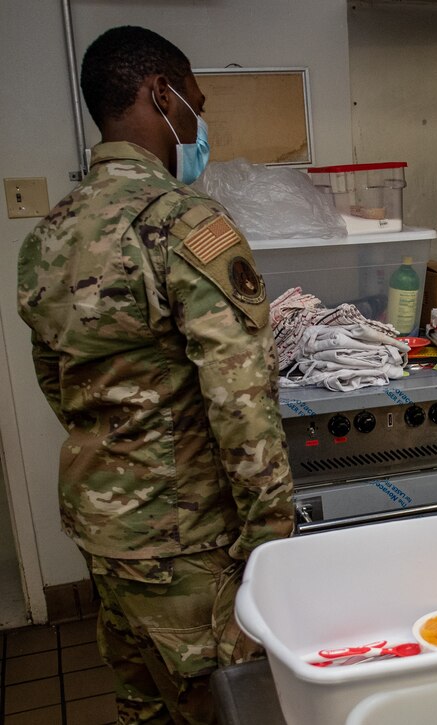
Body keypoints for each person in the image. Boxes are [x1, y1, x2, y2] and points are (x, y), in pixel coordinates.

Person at [17, 26, 294, 724]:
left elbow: (55, 376)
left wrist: (122, 459)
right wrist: (272, 543)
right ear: (160, 94)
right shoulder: (186, 224)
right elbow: (242, 400)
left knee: (142, 704)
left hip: (104, 536)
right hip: (190, 546)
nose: (200, 126)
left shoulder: (49, 233)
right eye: (196, 104)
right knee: (227, 706)